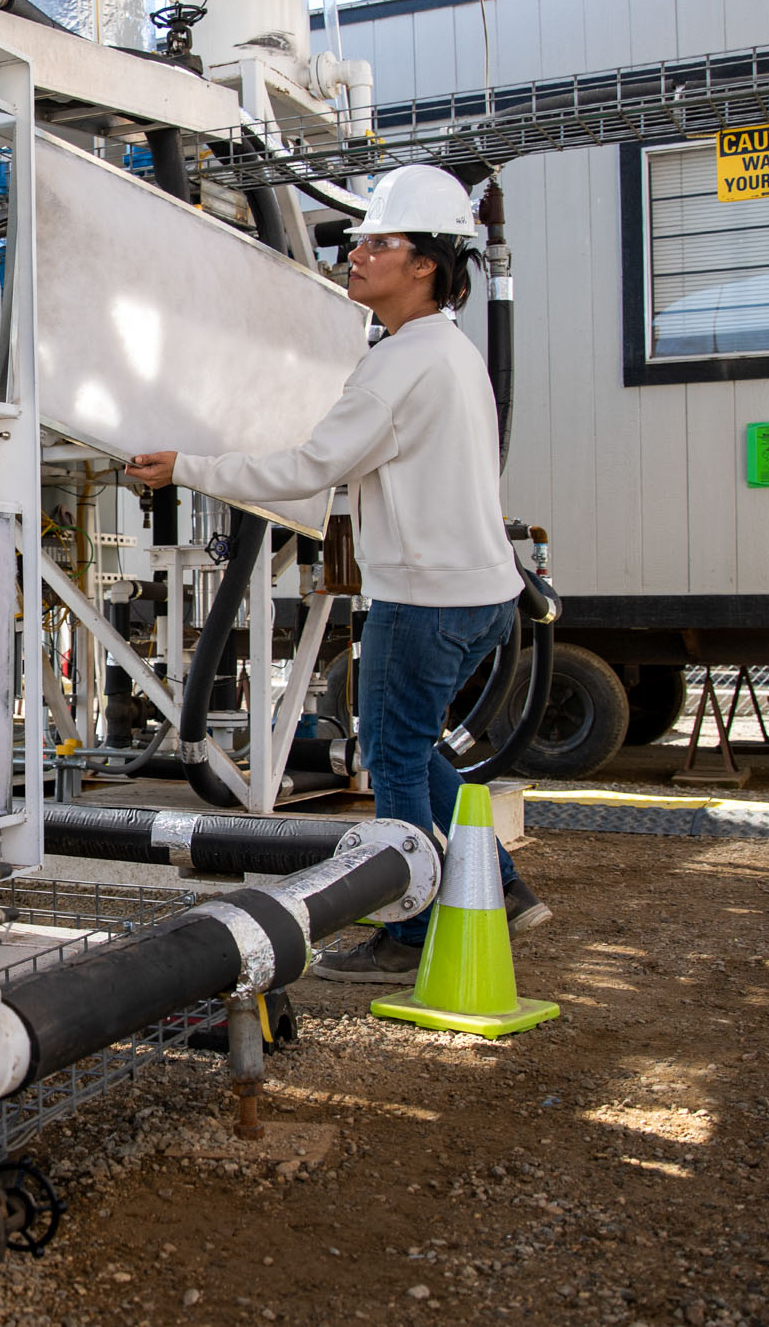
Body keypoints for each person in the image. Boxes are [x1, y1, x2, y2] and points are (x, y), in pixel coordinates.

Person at [125, 164, 550, 983]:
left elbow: (311, 466)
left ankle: (410, 934)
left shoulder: (399, 367)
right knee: (414, 745)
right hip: (483, 595)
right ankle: (502, 883)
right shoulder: (449, 355)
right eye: (358, 240)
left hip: (422, 603)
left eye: (378, 242)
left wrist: (188, 466)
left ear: (426, 263)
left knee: (392, 760)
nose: (356, 255)